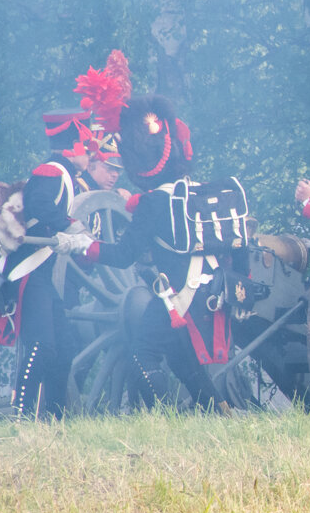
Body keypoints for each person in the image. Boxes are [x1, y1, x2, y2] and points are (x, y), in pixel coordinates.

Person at [81, 94, 228, 411]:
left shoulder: (152, 203)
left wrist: (86, 245)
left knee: (141, 354)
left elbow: (123, 256)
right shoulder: (195, 190)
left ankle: (158, 419)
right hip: (214, 286)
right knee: (178, 355)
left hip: (179, 296)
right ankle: (219, 408)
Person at [0, 108, 97, 418]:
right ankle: (21, 415)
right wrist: (70, 228)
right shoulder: (51, 171)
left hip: (43, 274)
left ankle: (53, 417)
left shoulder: (68, 177)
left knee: (63, 349)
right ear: (72, 147)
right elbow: (40, 207)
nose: (89, 155)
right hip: (27, 272)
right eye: (86, 147)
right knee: (41, 346)